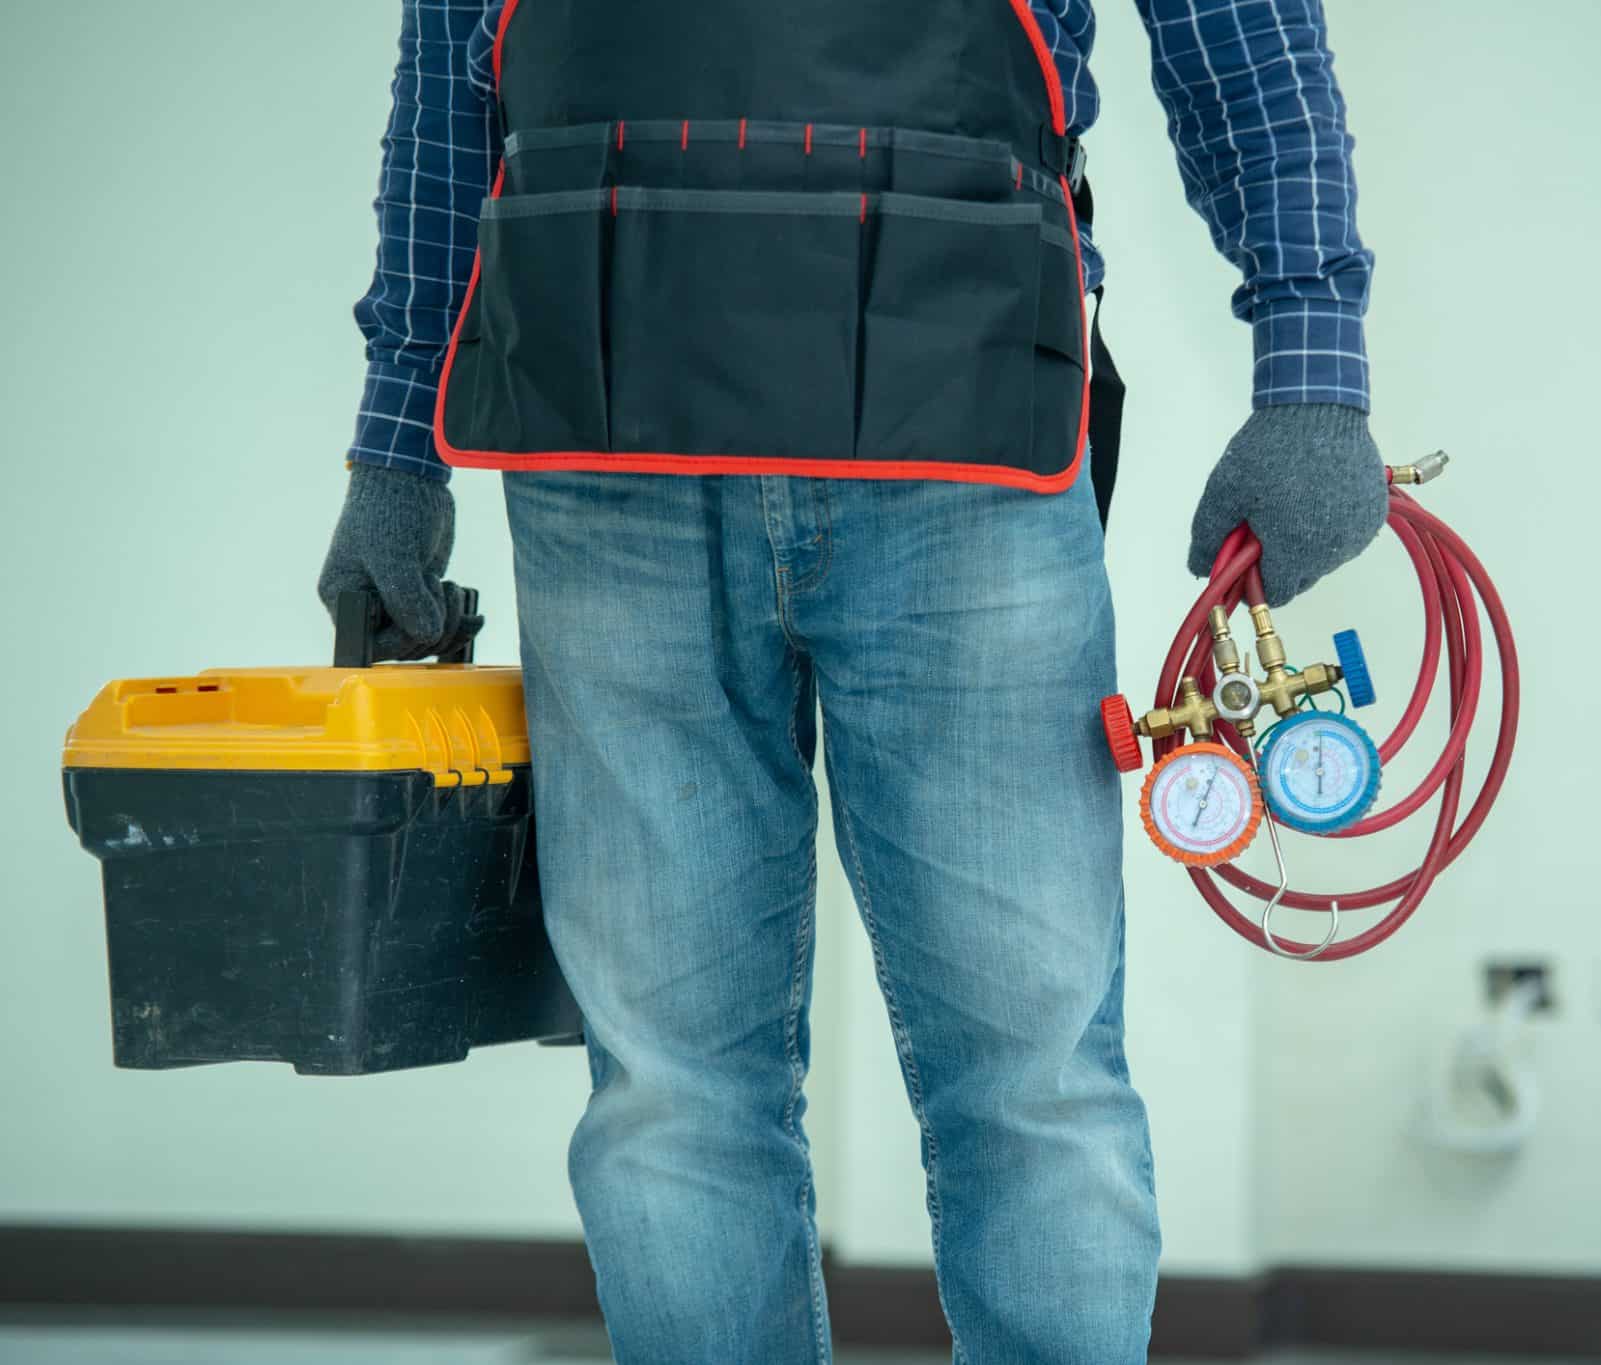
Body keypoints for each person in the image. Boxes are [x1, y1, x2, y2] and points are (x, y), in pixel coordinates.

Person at [318, 2, 1381, 1360]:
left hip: (959, 431)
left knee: (1026, 1077)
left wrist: (1312, 367)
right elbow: (452, 57)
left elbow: (1237, 25)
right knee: (673, 1092)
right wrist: (396, 441)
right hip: (614, 447)